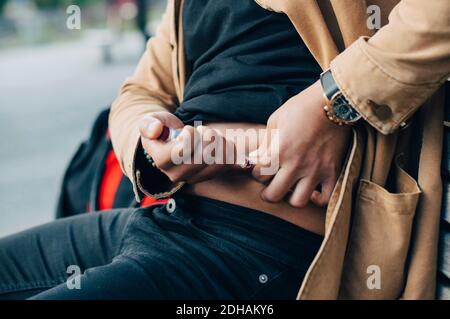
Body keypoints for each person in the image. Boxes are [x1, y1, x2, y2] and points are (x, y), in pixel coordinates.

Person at [0, 0, 449, 300]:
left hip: (261, 249)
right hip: (166, 221)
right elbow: (138, 91)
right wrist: (151, 145)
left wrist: (332, 100)